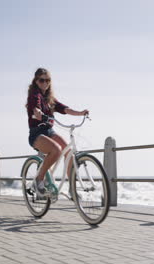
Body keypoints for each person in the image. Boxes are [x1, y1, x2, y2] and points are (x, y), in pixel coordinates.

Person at [26, 67, 89, 198]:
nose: (45, 83)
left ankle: (72, 188)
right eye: (42, 80)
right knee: (56, 149)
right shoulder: (34, 96)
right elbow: (36, 109)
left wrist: (80, 113)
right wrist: (39, 114)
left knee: (68, 152)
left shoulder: (50, 98)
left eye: (47, 80)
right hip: (36, 134)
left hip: (49, 131)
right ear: (36, 81)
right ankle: (39, 179)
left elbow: (64, 109)